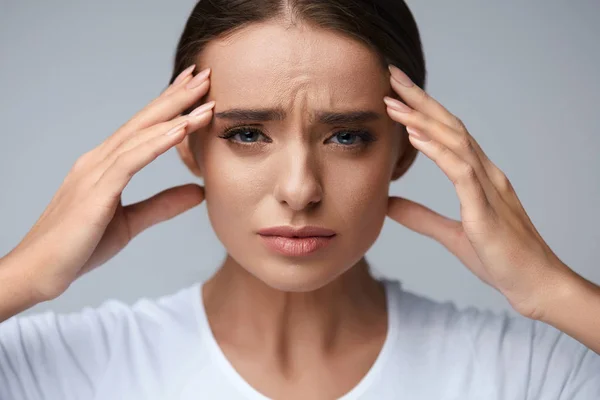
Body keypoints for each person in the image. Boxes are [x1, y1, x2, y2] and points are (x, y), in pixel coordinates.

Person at [0, 0, 599, 399]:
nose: (300, 190)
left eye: (346, 136)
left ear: (407, 150)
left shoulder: (525, 374)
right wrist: (23, 277)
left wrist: (553, 292)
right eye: (247, 134)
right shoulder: (53, 370)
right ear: (186, 145)